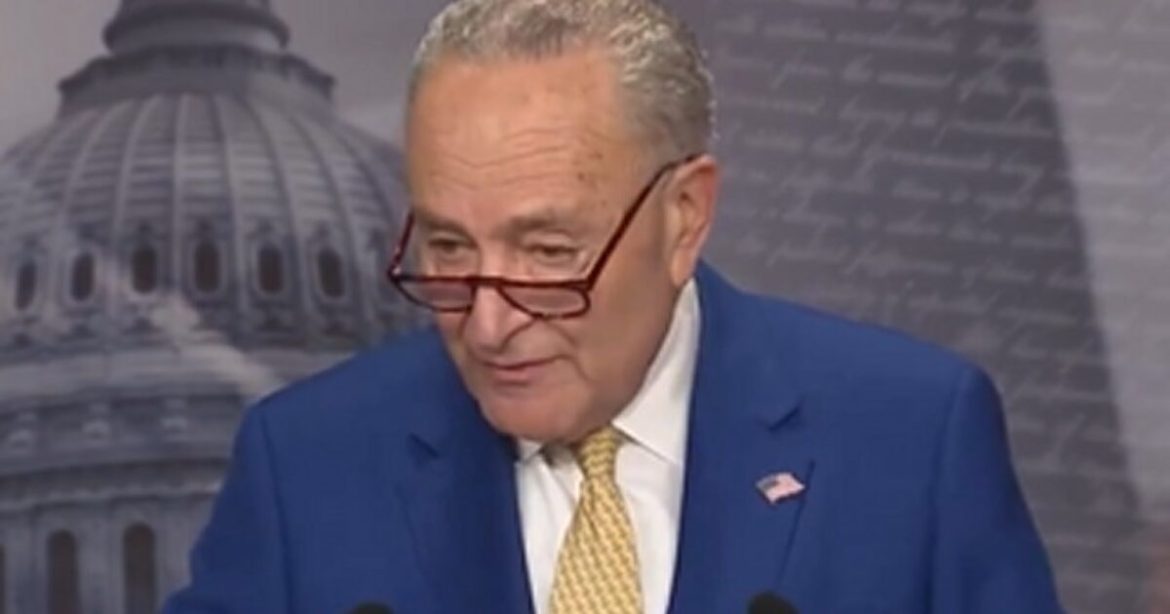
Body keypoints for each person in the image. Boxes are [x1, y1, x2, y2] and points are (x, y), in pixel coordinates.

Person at [163, 0, 1064, 612]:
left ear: (685, 217)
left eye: (549, 255)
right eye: (448, 249)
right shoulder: (306, 466)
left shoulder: (911, 439)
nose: (488, 324)